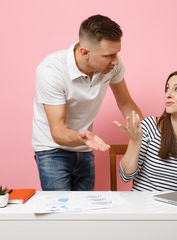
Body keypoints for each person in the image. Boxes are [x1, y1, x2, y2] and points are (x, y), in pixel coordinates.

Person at [32, 15, 143, 191]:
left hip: (85, 147)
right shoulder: (51, 71)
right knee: (61, 214)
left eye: (117, 53)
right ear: (85, 52)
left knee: (85, 213)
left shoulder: (111, 65)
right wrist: (84, 138)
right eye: (109, 55)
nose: (115, 60)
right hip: (52, 149)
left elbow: (125, 102)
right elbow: (58, 131)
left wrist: (148, 133)